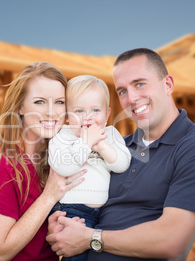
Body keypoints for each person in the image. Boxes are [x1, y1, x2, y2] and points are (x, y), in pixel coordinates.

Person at [46, 48, 195, 261]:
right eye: (122, 91)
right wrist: (61, 223)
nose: (131, 98)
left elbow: (172, 242)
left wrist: (90, 238)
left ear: (168, 85)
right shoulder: (118, 147)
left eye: (140, 84)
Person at [0, 61, 87, 261]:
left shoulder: (56, 160)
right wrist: (49, 197)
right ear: (20, 107)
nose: (51, 112)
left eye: (59, 102)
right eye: (39, 102)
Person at [48, 75, 131, 261]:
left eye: (95, 110)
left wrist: (101, 146)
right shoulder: (62, 136)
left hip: (104, 213)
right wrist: (85, 143)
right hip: (71, 210)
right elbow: (64, 167)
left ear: (107, 114)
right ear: (67, 116)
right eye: (79, 111)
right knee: (76, 255)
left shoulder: (110, 134)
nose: (88, 117)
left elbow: (122, 164)